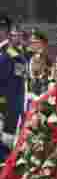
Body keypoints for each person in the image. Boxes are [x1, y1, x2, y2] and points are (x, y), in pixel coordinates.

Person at [0, 15, 26, 162]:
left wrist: (10, 129)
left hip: (3, 118)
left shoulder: (14, 57)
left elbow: (17, 95)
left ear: (4, 30)